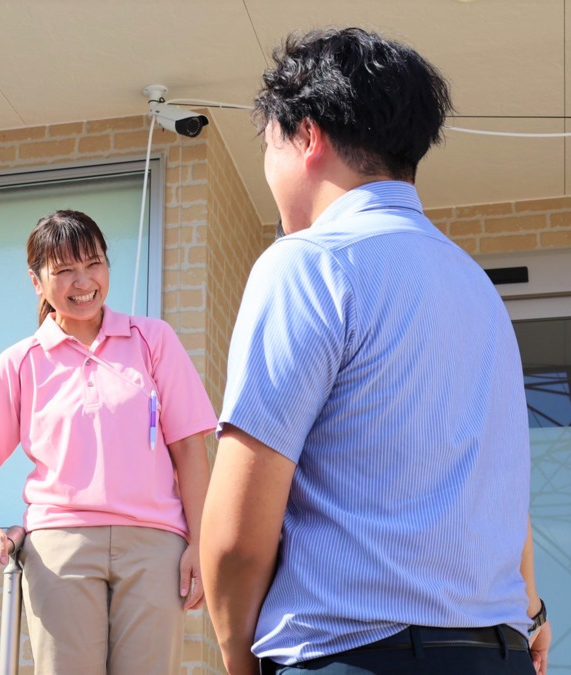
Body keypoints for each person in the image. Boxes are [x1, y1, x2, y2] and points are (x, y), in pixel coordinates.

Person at [200, 27, 551, 675]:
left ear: (306, 135)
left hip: (352, 654)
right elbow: (501, 487)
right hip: (496, 652)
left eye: (269, 144)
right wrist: (531, 610)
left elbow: (238, 535)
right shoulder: (480, 291)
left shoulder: (308, 263)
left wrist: (236, 654)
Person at [0, 210, 217, 674]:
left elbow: (189, 449)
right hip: (59, 547)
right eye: (64, 270)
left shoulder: (153, 340)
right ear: (36, 282)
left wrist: (200, 542)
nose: (83, 282)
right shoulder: (19, 362)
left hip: (156, 546)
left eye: (94, 264)